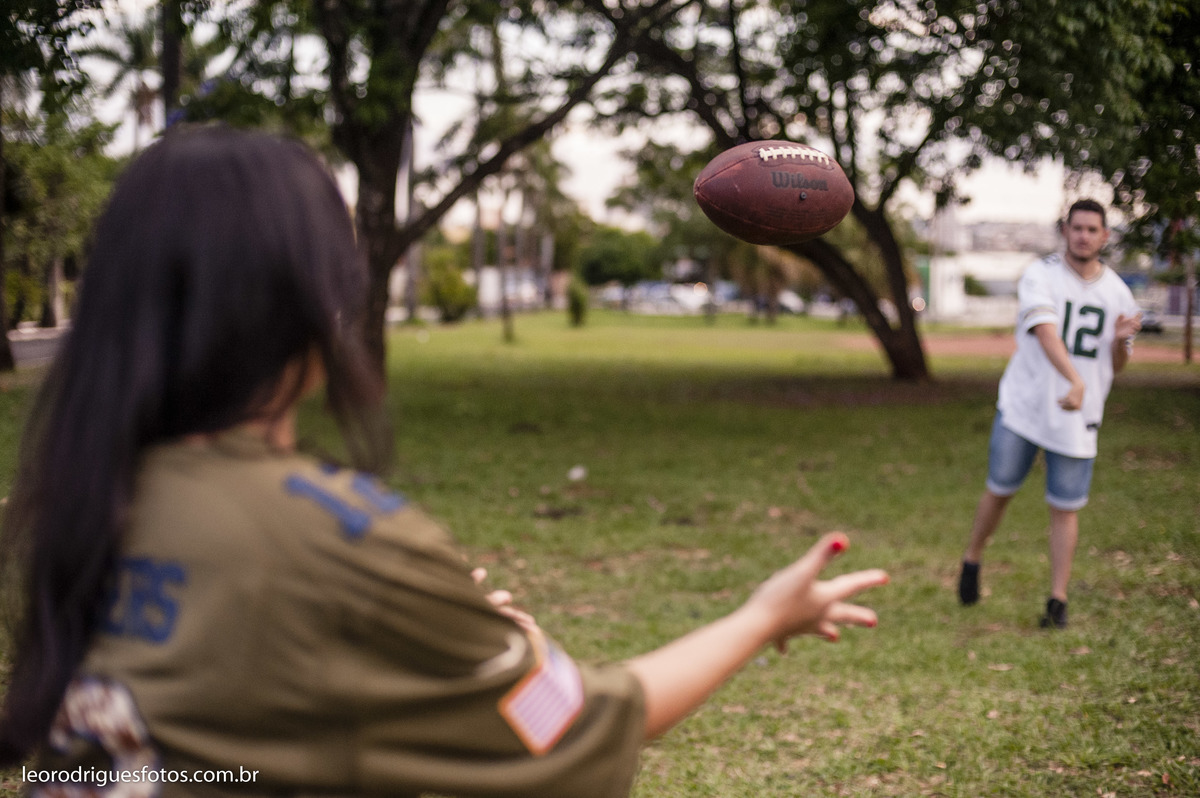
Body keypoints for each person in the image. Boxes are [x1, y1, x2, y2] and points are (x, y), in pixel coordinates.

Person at [0, 126, 889, 797]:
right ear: (312, 304)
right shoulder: (344, 540)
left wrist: (428, 636)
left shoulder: (56, 509)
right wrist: (762, 617)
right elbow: (572, 725)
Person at [957, 198, 1141, 629]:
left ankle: (1058, 601)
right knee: (1000, 490)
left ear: (1105, 236)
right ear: (1065, 231)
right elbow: (1044, 331)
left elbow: (1118, 365)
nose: (1084, 236)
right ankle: (972, 558)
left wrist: (1118, 342)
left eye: (1092, 230)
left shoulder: (1119, 293)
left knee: (1065, 507)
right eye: (1077, 228)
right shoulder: (1040, 274)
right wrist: (1073, 378)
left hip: (1078, 417)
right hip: (1025, 406)